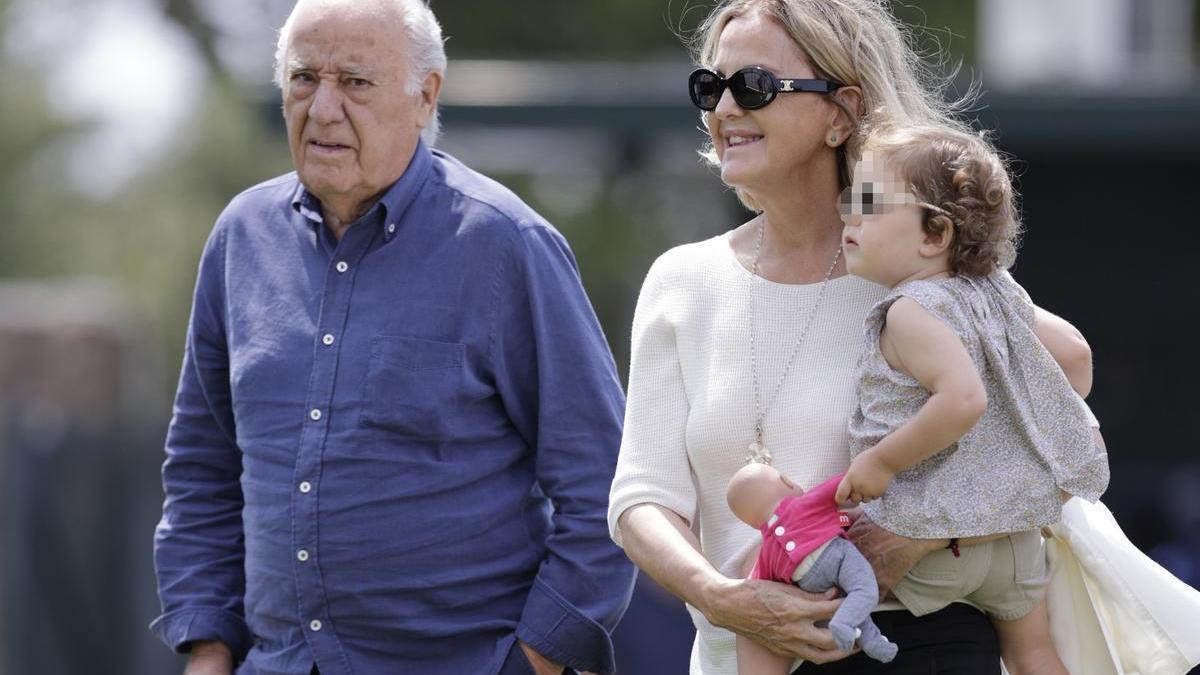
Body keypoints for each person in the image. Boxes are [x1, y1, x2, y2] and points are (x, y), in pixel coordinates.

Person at [605, 1, 1094, 673]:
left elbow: (1061, 378)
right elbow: (642, 499)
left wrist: (919, 531)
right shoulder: (679, 279)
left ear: (841, 111)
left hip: (918, 647)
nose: (724, 108)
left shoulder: (918, 267)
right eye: (709, 87)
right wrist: (721, 597)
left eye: (752, 86)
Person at [150, 1, 635, 674]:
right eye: (303, 79)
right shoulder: (240, 238)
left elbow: (607, 485)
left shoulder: (506, 245)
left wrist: (534, 661)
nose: (322, 108)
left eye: (354, 82)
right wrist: (207, 648)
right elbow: (202, 470)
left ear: (424, 95)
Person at [833, 126, 1109, 674]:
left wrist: (882, 460)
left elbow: (962, 400)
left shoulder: (911, 309)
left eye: (867, 203)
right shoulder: (998, 294)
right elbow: (1074, 360)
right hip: (1012, 542)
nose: (849, 217)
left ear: (935, 232)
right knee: (1034, 654)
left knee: (803, 592)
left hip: (926, 544)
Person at [727, 464, 898, 670]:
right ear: (787, 481)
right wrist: (865, 474)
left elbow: (756, 585)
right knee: (864, 591)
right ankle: (845, 626)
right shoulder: (801, 504)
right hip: (835, 554)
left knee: (849, 600)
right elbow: (839, 487)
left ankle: (871, 641)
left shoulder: (768, 549)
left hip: (807, 581)